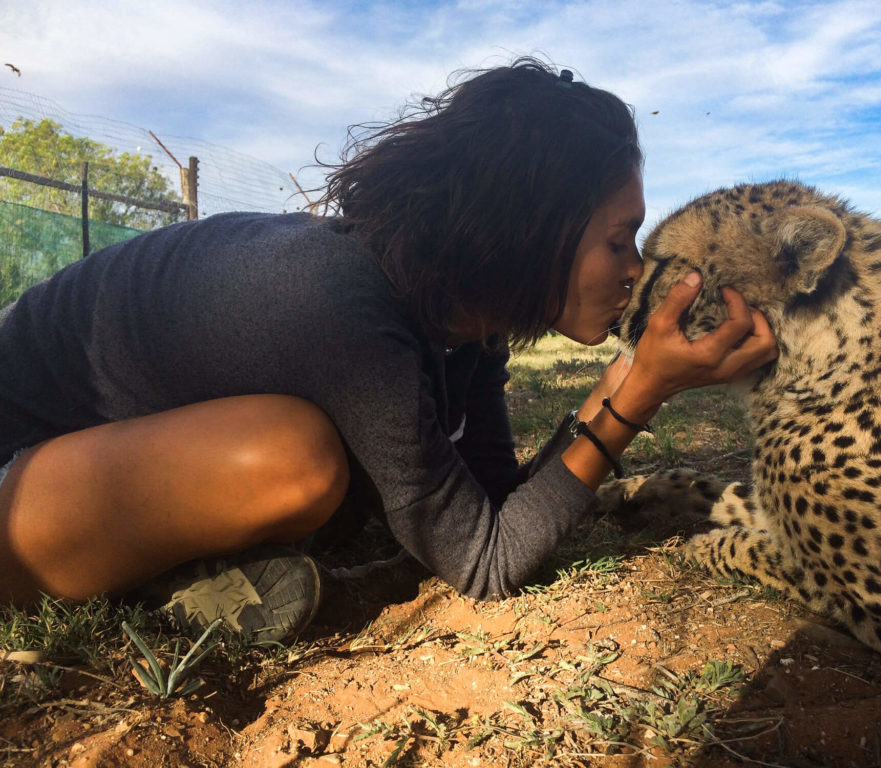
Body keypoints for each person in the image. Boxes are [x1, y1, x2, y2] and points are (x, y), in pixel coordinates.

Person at [0, 58, 776, 642]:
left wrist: (628, 383)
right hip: (20, 472)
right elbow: (483, 561)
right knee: (290, 460)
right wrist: (636, 394)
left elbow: (498, 509)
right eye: (618, 239)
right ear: (526, 232)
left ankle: (181, 571)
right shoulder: (338, 305)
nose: (635, 268)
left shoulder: (462, 318)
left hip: (91, 473)